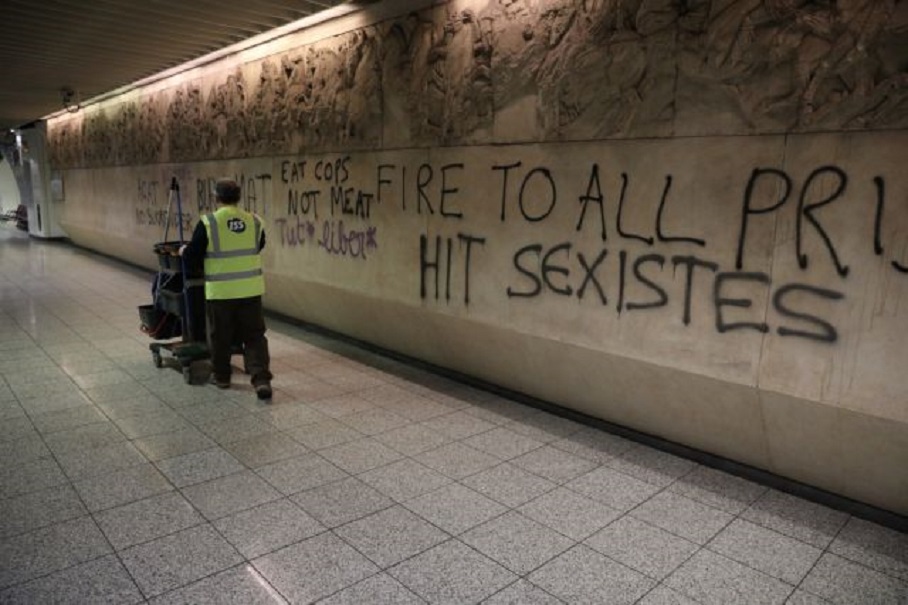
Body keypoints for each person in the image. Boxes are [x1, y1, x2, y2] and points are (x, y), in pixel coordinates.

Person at [181, 178, 273, 399]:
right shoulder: (255, 221)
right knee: (255, 336)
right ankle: (261, 379)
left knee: (220, 335)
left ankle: (222, 377)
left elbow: (194, 255)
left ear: (216, 197)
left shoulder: (209, 222)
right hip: (250, 290)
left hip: (221, 292)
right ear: (239, 197)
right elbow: (258, 246)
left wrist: (185, 251)